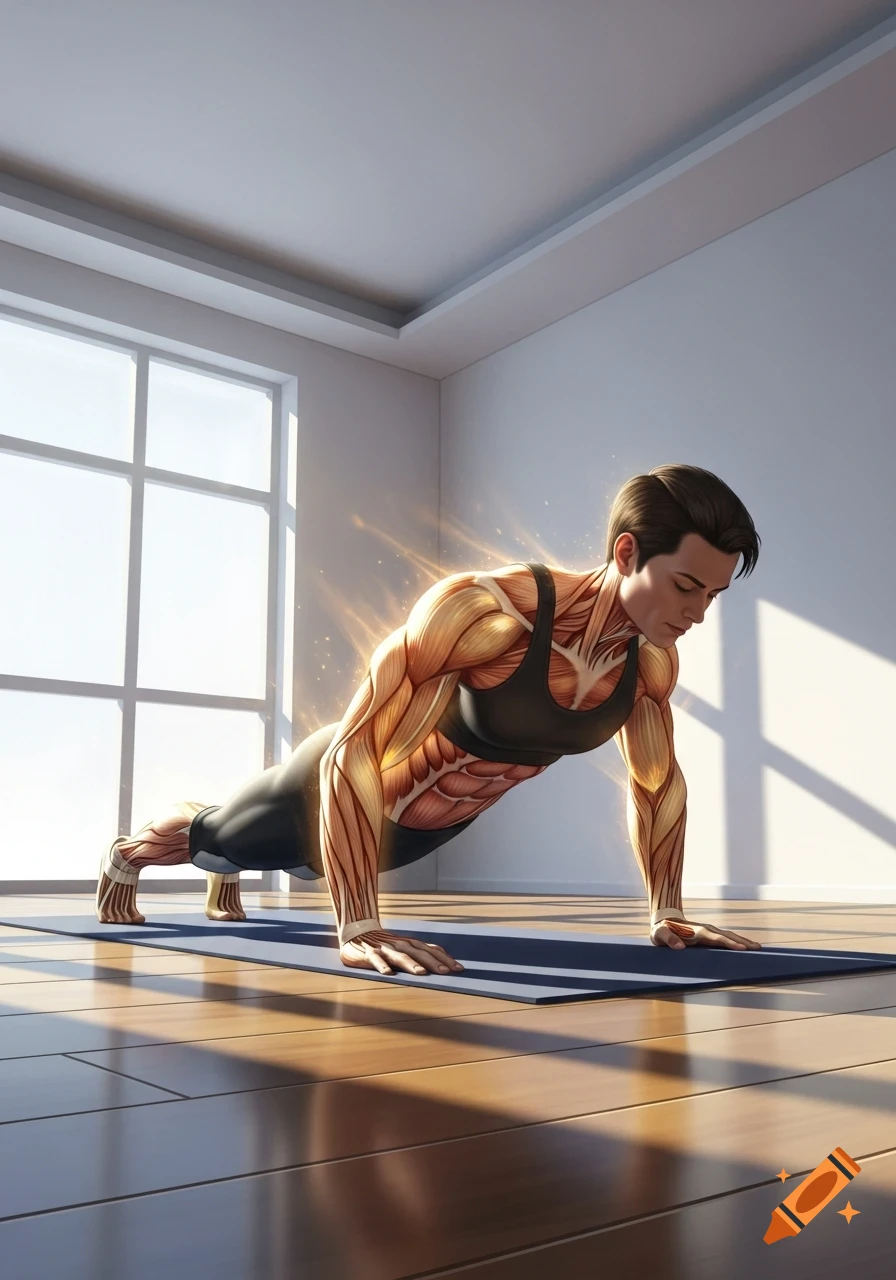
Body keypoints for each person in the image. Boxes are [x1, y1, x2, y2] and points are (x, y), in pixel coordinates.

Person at [96, 463, 763, 974]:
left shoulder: (648, 665)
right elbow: (350, 754)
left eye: (712, 594)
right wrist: (359, 925)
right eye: (685, 586)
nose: (697, 613)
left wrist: (667, 909)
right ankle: (126, 855)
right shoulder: (487, 613)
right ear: (626, 554)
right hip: (325, 792)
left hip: (419, 831)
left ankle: (227, 865)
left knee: (280, 863)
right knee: (219, 837)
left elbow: (656, 784)